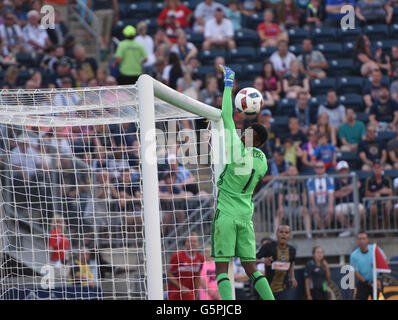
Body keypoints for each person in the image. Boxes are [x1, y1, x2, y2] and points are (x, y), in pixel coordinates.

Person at [211, 65, 274, 300]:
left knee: (221, 268)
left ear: (251, 137)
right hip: (245, 217)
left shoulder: (236, 148)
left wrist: (229, 83)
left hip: (226, 214)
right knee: (252, 270)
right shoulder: (262, 161)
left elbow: (226, 115)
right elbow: (254, 141)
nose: (242, 132)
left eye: (246, 131)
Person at [256, 225, 297, 300]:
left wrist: (293, 277)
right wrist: (263, 261)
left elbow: (291, 263)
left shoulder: (292, 250)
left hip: (283, 288)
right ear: (276, 234)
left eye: (286, 232)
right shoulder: (268, 247)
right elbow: (252, 260)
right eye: (281, 232)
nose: (283, 234)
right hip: (267, 288)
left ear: (289, 235)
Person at [275, 164, 311, 238]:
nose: (291, 172)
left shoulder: (300, 183)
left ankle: (308, 233)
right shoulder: (284, 183)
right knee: (278, 213)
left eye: (293, 170)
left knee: (306, 211)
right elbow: (280, 196)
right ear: (287, 172)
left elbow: (304, 195)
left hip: (298, 207)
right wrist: (280, 207)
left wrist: (304, 206)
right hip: (287, 207)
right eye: (290, 170)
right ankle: (275, 234)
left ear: (297, 172)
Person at [350, 231, 387, 300]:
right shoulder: (354, 255)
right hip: (363, 283)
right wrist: (369, 283)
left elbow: (383, 264)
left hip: (377, 282)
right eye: (360, 239)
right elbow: (356, 273)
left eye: (364, 238)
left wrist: (379, 280)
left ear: (367, 240)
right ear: (357, 241)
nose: (362, 241)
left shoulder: (375, 249)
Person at [167, 233, 204, 300]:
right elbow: (169, 273)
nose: (192, 243)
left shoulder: (200, 258)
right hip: (176, 293)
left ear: (198, 243)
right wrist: (181, 287)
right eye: (189, 241)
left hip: (190, 294)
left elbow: (198, 276)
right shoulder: (178, 256)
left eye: (194, 241)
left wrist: (196, 292)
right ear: (185, 243)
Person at [334, 161, 365, 237]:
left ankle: (353, 229)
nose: (343, 171)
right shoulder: (335, 180)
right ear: (338, 171)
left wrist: (344, 189)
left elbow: (358, 185)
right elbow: (336, 194)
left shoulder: (353, 177)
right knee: (337, 212)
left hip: (355, 202)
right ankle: (350, 229)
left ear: (348, 170)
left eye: (345, 169)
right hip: (342, 203)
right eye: (341, 170)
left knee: (361, 210)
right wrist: (351, 188)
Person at [307, 161, 335, 234]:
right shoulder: (311, 179)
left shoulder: (329, 178)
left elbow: (331, 193)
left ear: (324, 168)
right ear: (314, 169)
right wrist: (314, 206)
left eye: (321, 167)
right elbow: (311, 194)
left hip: (326, 203)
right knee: (314, 212)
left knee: (331, 212)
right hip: (316, 203)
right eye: (317, 167)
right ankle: (323, 231)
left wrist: (330, 206)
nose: (319, 169)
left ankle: (323, 229)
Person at [365, 160, 394, 230]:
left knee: (389, 205)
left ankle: (384, 227)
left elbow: (391, 192)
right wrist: (379, 192)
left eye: (379, 167)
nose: (377, 169)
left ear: (382, 168)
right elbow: (366, 194)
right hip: (373, 200)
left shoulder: (387, 179)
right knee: (372, 207)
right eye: (375, 167)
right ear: (372, 169)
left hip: (384, 200)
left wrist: (388, 195)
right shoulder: (369, 180)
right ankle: (375, 228)